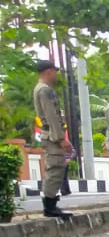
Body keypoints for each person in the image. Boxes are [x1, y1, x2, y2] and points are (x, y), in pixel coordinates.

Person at [32, 59, 73, 220]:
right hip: (52, 136)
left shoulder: (42, 89)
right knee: (55, 168)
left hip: (50, 134)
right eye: (54, 71)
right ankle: (50, 205)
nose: (56, 75)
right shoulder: (44, 90)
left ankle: (51, 204)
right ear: (48, 71)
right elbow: (51, 116)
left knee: (57, 168)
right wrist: (61, 138)